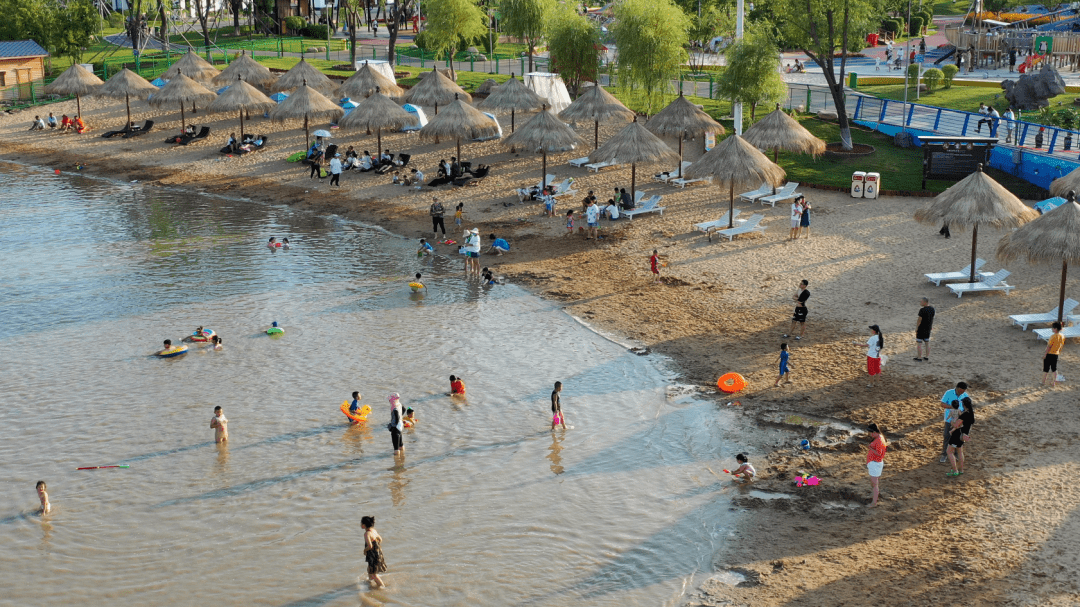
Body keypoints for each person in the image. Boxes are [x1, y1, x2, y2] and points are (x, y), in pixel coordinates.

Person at [938, 381, 968, 463]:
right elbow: (942, 404)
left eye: (963, 391)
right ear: (957, 388)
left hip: (960, 421)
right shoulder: (949, 393)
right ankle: (944, 454)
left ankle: (956, 454)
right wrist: (951, 407)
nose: (962, 392)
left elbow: (967, 407)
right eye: (961, 390)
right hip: (949, 421)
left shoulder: (965, 395)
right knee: (947, 436)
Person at [361, 516, 387, 588]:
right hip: (377, 553)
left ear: (364, 525)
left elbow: (370, 546)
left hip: (373, 555)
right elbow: (380, 539)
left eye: (361, 523)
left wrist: (364, 550)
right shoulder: (374, 531)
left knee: (374, 574)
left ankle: (382, 587)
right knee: (370, 568)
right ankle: (370, 581)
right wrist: (376, 544)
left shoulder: (367, 534)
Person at [865, 423, 887, 508]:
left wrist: (870, 448)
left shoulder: (879, 440)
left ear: (874, 432)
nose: (869, 434)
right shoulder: (879, 438)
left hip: (875, 463)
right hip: (875, 463)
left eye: (870, 433)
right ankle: (874, 497)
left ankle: (874, 503)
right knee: (874, 483)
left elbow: (879, 453)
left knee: (874, 484)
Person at [945, 400, 967, 477]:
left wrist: (952, 429)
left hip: (956, 434)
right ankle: (961, 470)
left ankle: (955, 471)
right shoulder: (962, 412)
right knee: (960, 451)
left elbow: (955, 425)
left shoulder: (952, 412)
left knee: (949, 451)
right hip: (961, 433)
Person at [1042, 321, 1065, 386]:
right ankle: (1053, 382)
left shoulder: (1053, 336)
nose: (1052, 329)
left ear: (1056, 328)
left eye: (1053, 328)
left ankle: (1043, 382)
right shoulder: (1062, 336)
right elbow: (1061, 346)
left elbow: (1049, 346)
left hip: (1049, 354)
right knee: (1054, 369)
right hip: (1056, 354)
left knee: (1046, 369)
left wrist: (1045, 354)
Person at [915, 297, 935, 361]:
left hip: (921, 328)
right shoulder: (932, 309)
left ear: (925, 302)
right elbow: (932, 319)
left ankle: (919, 357)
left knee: (919, 343)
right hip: (928, 328)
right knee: (927, 343)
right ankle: (926, 356)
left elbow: (919, 320)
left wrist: (917, 328)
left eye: (921, 302)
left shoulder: (922, 310)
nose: (920, 303)